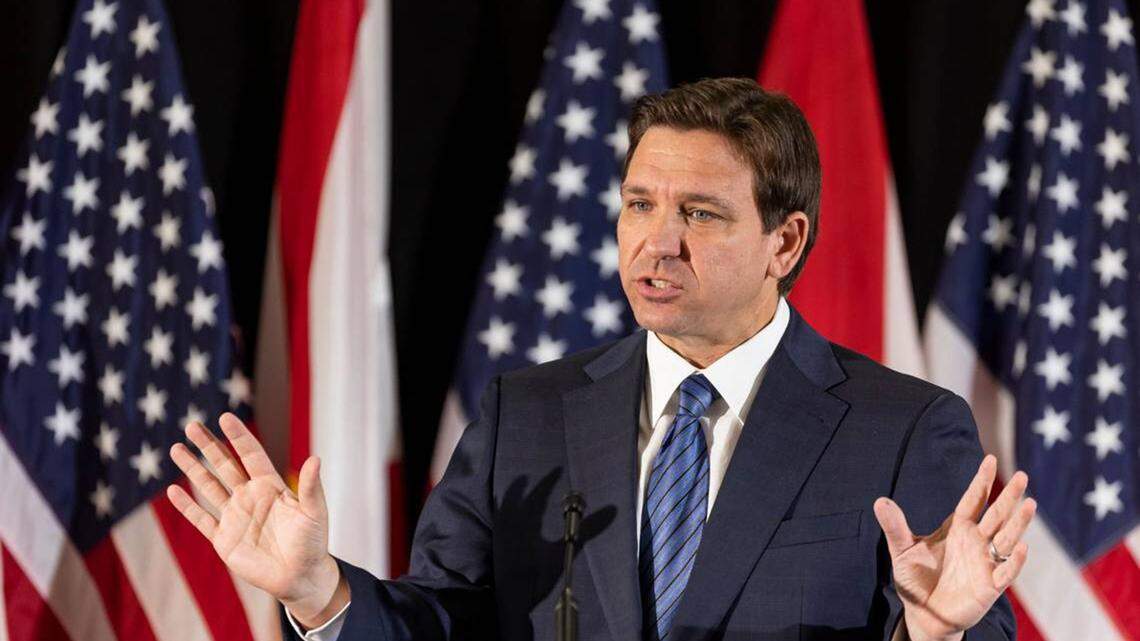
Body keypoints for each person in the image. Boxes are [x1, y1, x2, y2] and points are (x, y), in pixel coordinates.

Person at [167, 78, 1035, 641]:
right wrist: (320, 592)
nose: (654, 244)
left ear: (785, 240)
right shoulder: (526, 414)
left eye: (699, 213)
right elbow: (443, 625)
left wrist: (934, 633)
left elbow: (962, 618)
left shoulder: (904, 428)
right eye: (639, 203)